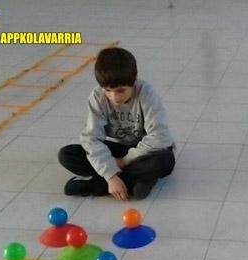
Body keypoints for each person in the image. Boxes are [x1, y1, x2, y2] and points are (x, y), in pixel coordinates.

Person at [58, 47, 175, 201]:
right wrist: (110, 175)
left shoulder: (146, 93)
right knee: (67, 155)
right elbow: (91, 139)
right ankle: (140, 181)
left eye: (121, 90)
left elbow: (161, 137)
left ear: (133, 81)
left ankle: (97, 185)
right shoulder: (97, 97)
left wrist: (124, 161)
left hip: (146, 151)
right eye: (108, 90)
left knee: (165, 161)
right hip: (119, 149)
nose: (114, 97)